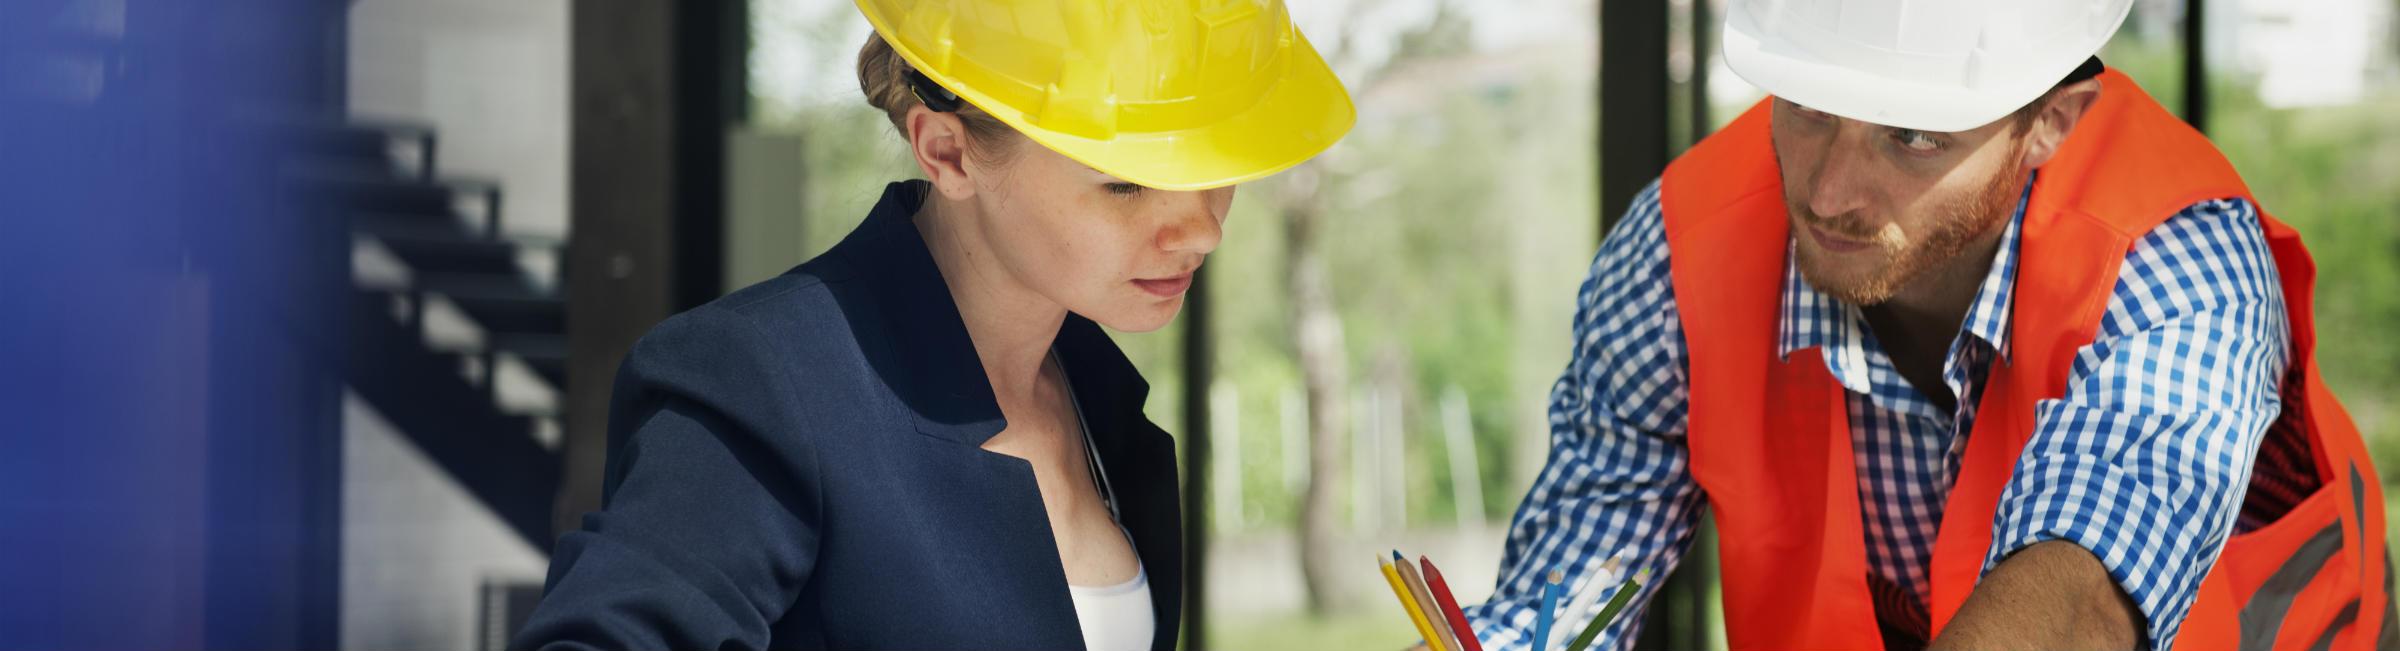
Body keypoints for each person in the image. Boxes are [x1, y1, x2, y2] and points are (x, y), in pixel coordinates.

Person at [1463, 1, 2390, 650]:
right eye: (1810, 110)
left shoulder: (2175, 258)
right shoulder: (1676, 253)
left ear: (2049, 122)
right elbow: (1565, 595)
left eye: (1912, 136)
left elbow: (2076, 610)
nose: (1828, 192)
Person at [511, 1, 1352, 649]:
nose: (1202, 227)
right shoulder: (765, 381)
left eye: (1215, 170)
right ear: (946, 152)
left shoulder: (1091, 393)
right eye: (1126, 185)